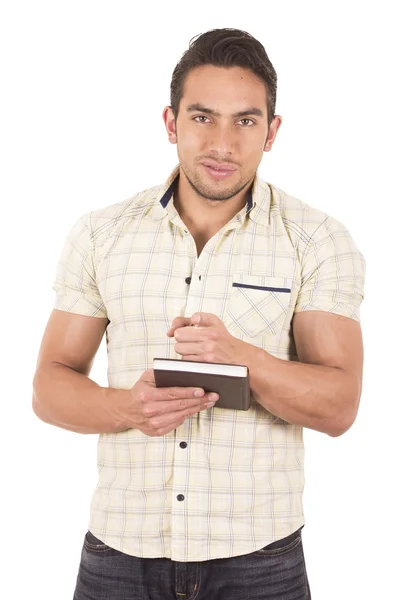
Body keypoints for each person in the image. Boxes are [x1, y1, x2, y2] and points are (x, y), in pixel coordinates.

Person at [32, 28, 365, 600]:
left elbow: (338, 407)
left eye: (245, 120)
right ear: (171, 123)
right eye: (203, 116)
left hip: (260, 562)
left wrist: (245, 359)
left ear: (272, 131)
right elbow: (48, 388)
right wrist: (127, 407)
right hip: (120, 558)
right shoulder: (101, 235)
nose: (223, 143)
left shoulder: (316, 241)